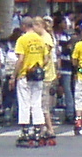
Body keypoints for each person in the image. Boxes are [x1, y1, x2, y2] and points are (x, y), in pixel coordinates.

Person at [13, 13, 57, 145]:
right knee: (36, 103)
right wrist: (40, 67)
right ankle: (38, 130)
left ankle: (26, 131)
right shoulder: (40, 40)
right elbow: (46, 57)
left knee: (24, 103)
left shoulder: (22, 40)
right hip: (38, 75)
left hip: (25, 74)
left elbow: (20, 59)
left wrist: (14, 75)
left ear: (24, 26)